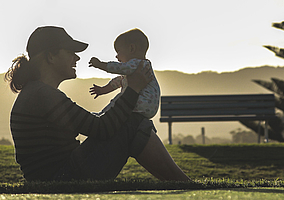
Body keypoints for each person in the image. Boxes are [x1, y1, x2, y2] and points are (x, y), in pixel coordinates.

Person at [5, 26, 190, 182]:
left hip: (59, 174)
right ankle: (185, 185)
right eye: (70, 52)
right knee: (134, 122)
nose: (76, 58)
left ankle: (182, 184)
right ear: (51, 56)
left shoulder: (37, 93)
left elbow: (93, 124)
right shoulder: (41, 95)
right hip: (62, 178)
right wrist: (133, 89)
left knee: (132, 121)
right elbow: (102, 129)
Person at [89, 28, 160, 119]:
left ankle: (102, 116)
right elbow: (118, 81)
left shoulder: (137, 63)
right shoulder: (141, 67)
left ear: (131, 48)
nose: (116, 56)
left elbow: (119, 68)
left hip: (142, 102)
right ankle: (102, 115)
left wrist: (100, 65)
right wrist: (103, 90)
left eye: (118, 51)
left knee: (119, 100)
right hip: (149, 107)